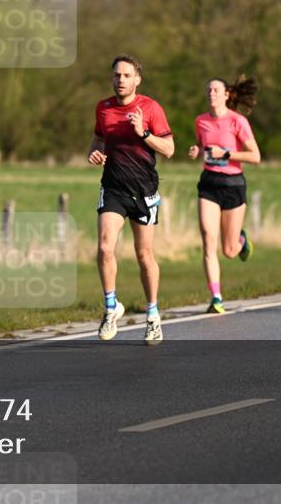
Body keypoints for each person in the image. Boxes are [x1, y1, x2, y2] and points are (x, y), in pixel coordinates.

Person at [88, 55, 174, 345]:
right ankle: (111, 307)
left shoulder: (151, 108)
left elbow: (169, 149)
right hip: (113, 187)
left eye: (126, 75)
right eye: (116, 75)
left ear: (137, 79)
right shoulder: (104, 108)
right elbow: (99, 139)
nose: (120, 80)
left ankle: (152, 316)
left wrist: (144, 133)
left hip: (144, 190)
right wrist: (95, 153)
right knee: (104, 245)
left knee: (144, 254)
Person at [188, 76, 261, 314]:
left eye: (216, 90)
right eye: (208, 89)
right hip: (209, 183)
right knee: (208, 239)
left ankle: (240, 240)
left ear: (227, 94)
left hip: (233, 185)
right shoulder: (200, 121)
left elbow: (255, 156)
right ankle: (216, 298)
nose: (211, 93)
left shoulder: (237, 121)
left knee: (229, 251)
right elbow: (203, 146)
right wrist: (197, 149)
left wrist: (226, 153)